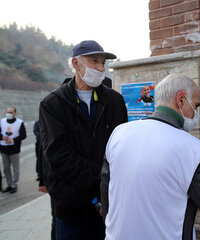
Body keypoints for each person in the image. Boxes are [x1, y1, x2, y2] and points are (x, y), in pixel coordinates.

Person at [101, 73, 200, 239]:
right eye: (196, 105)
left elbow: (107, 196)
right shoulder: (192, 150)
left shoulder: (119, 133)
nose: (196, 113)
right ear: (181, 99)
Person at [39, 40, 128, 240]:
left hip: (111, 208)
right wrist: (103, 180)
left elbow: (122, 149)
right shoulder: (52, 104)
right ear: (76, 64)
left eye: (103, 63)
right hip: (72, 210)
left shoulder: (115, 101)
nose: (100, 68)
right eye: (94, 61)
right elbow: (59, 157)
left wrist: (111, 194)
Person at [0, 107, 27, 194]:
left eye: (11, 112)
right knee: (6, 168)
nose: (9, 114)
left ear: (15, 113)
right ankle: (9, 184)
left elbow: (23, 135)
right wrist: (2, 137)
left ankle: (14, 185)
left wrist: (12, 140)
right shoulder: (2, 121)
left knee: (15, 168)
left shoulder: (19, 123)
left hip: (14, 149)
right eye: (7, 112)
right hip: (4, 148)